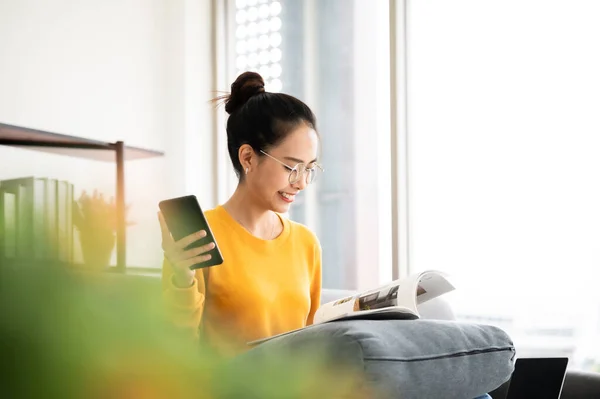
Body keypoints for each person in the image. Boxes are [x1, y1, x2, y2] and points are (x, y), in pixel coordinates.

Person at [158, 71, 323, 357]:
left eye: (309, 168)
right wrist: (181, 278)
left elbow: (316, 342)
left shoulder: (306, 243)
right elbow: (177, 353)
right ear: (247, 157)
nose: (302, 182)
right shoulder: (200, 236)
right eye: (291, 168)